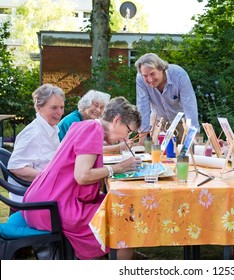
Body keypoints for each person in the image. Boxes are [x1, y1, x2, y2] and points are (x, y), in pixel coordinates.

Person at [22, 96, 143, 260]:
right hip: (52, 207)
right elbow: (82, 176)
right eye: (129, 131)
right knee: (127, 216)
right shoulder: (94, 130)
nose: (126, 138)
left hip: (41, 201)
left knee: (121, 203)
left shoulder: (85, 125)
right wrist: (116, 168)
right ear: (117, 120)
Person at [7, 84, 65, 202]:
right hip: (33, 195)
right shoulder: (34, 133)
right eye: (54, 108)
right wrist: (49, 177)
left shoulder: (50, 128)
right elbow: (16, 167)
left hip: (45, 189)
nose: (59, 112)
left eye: (62, 107)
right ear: (38, 107)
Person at [135, 53, 200, 144]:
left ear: (161, 69)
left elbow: (190, 106)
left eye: (152, 74)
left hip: (182, 122)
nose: (149, 79)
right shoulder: (140, 78)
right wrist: (142, 138)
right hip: (159, 122)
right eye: (145, 76)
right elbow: (143, 106)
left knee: (185, 153)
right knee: (156, 153)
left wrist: (193, 134)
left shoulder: (179, 75)